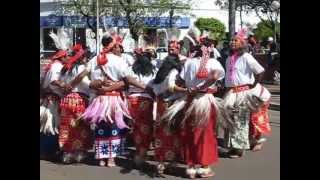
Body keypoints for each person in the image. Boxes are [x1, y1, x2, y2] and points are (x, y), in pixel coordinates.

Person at [80, 33, 146, 167]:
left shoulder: (94, 59)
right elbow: (128, 80)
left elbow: (82, 76)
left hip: (99, 100)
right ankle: (111, 158)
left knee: (101, 127)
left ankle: (101, 158)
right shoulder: (118, 61)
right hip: (115, 100)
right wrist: (144, 87)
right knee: (114, 127)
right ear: (113, 45)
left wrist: (92, 84)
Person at [222, 29, 271, 158]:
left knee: (240, 120)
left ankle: (239, 149)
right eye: (232, 40)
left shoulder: (246, 57)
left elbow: (260, 71)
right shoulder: (229, 59)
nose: (232, 42)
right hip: (231, 93)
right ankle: (233, 146)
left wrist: (253, 85)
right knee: (229, 121)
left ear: (242, 43)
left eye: (235, 40)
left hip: (243, 93)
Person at [58, 44, 93, 164]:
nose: (86, 59)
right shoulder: (81, 68)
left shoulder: (65, 68)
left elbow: (62, 85)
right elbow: (86, 83)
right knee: (80, 127)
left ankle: (67, 154)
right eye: (85, 56)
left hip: (66, 100)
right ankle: (78, 154)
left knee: (66, 127)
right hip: (78, 100)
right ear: (81, 57)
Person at [126, 50, 158, 166]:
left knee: (135, 127)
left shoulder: (130, 69)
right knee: (145, 128)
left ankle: (138, 152)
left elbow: (128, 79)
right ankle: (141, 153)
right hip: (146, 100)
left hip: (132, 100)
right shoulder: (153, 71)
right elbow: (156, 86)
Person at [40, 48, 69, 160]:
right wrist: (64, 85)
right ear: (61, 57)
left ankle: (48, 151)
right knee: (51, 125)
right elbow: (53, 81)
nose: (68, 58)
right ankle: (47, 152)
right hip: (53, 100)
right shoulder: (57, 66)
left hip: (50, 99)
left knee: (48, 126)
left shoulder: (53, 65)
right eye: (66, 56)